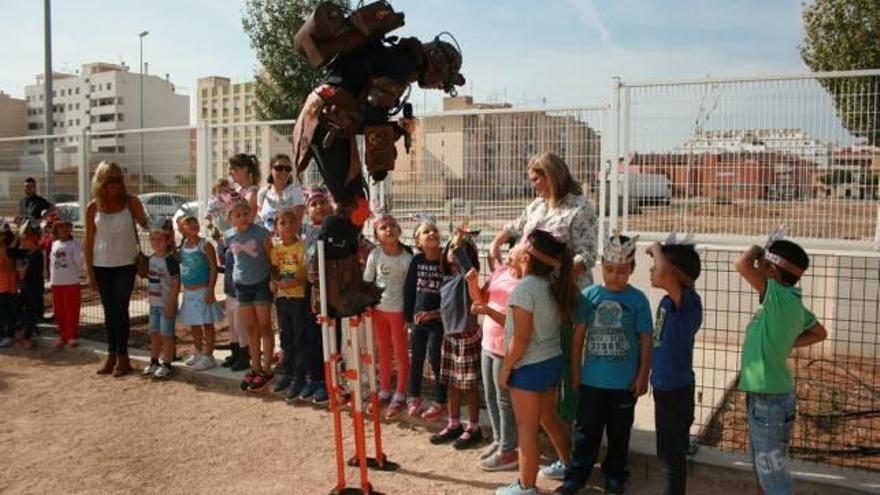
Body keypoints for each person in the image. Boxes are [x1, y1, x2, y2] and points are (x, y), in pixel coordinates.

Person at [488, 152, 599, 456]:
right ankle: (557, 444)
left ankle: (572, 443)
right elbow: (516, 226)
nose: (534, 185)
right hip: (537, 297)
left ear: (554, 175)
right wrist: (498, 242)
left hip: (564, 300)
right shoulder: (537, 205)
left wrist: (553, 275)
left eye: (538, 179)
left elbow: (586, 256)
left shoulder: (579, 208)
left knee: (562, 368)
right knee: (541, 360)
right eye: (532, 180)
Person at [554, 234, 653, 495]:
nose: (614, 276)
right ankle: (576, 477)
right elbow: (578, 337)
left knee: (619, 436)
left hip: (624, 386)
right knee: (586, 433)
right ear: (601, 266)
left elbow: (646, 339)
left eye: (621, 271)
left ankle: (615, 476)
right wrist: (576, 371)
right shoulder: (590, 295)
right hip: (591, 383)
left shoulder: (638, 300)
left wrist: (643, 376)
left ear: (631, 270)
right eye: (609, 270)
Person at [734, 232, 827, 495]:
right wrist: (784, 343)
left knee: (773, 477)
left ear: (772, 270)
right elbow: (820, 332)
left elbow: (741, 263)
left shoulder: (776, 296)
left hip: (769, 401)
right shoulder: (792, 302)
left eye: (764, 264)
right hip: (767, 397)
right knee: (765, 470)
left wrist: (757, 250)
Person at [495, 230, 576, 495]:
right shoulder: (550, 285)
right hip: (550, 363)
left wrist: (507, 367)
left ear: (527, 257)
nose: (513, 250)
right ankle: (570, 466)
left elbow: (521, 336)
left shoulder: (524, 290)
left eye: (517, 246)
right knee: (548, 418)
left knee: (526, 430)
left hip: (528, 369)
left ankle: (526, 487)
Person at [647, 236, 703, 495]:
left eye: (657, 265)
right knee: (670, 454)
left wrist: (658, 248)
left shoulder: (686, 303)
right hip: (667, 388)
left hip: (674, 392)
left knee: (671, 458)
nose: (652, 270)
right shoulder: (669, 303)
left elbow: (665, 273)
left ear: (675, 274)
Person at [85, 161, 149, 377]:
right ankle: (111, 354)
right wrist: (90, 273)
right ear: (100, 183)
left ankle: (123, 357)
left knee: (120, 310)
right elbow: (88, 242)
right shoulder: (93, 207)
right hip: (101, 265)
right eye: (110, 181)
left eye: (118, 180)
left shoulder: (132, 203)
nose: (115, 185)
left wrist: (161, 227)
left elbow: (147, 224)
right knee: (108, 312)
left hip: (125, 264)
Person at [466, 243, 522, 472]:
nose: (508, 258)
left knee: (504, 400)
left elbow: (516, 326)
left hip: (504, 348)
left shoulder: (525, 286)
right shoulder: (500, 273)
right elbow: (482, 298)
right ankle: (499, 441)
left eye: (514, 255)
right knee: (490, 395)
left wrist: (488, 312)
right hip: (488, 343)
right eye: (509, 253)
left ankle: (509, 450)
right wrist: (471, 283)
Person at [429, 232, 483, 450]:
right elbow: (447, 310)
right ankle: (453, 424)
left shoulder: (467, 277)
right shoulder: (447, 280)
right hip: (450, 339)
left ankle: (474, 427)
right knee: (452, 384)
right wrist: (431, 314)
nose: (452, 251)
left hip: (466, 338)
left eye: (458, 248)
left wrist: (460, 247)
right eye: (450, 247)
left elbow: (469, 269)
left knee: (469, 386)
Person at [363, 213, 413, 418]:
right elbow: (367, 281)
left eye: (393, 225)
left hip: (399, 312)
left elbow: (411, 289)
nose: (389, 229)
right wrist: (367, 305)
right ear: (377, 235)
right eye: (383, 227)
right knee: (383, 351)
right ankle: (384, 391)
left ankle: (400, 394)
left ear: (400, 230)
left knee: (401, 353)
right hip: (379, 312)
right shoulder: (375, 255)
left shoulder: (407, 259)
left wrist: (409, 316)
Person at [225, 197, 274, 392]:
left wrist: (273, 277)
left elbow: (271, 256)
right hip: (242, 286)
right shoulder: (229, 236)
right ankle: (255, 366)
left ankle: (267, 368)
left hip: (261, 283)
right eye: (238, 215)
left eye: (246, 213)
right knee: (251, 328)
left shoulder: (261, 232)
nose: (243, 217)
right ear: (230, 218)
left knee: (265, 326)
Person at [403, 217, 447, 420]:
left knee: (436, 358)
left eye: (434, 230)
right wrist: (408, 318)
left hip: (439, 321)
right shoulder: (416, 261)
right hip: (418, 319)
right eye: (426, 231)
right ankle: (414, 396)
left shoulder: (445, 260)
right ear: (418, 241)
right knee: (416, 358)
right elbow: (409, 290)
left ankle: (440, 400)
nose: (432, 233)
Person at [269, 207, 312, 401]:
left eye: (291, 222)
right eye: (282, 223)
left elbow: (304, 272)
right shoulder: (275, 250)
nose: (287, 226)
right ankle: (288, 374)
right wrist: (274, 282)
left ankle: (300, 377)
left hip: (298, 299)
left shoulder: (302, 247)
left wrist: (296, 280)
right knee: (285, 338)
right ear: (276, 227)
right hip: (282, 300)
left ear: (297, 224)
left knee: (299, 338)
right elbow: (275, 271)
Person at [177, 216, 223, 370]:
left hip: (203, 291)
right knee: (194, 324)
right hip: (189, 293)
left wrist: (210, 290)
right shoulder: (182, 247)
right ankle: (198, 352)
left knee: (207, 324)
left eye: (195, 222)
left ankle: (208, 356)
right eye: (188, 223)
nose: (193, 225)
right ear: (181, 228)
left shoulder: (205, 245)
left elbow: (213, 268)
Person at [303, 187, 333, 404]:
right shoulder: (307, 232)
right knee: (312, 337)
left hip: (332, 292)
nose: (319, 207)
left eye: (322, 202)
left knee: (332, 339)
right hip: (312, 292)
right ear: (307, 211)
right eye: (314, 204)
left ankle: (330, 380)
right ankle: (314, 377)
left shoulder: (336, 228)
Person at [143, 225, 180, 380]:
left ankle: (167, 363)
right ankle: (154, 361)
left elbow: (176, 283)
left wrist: (171, 304)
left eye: (160, 239)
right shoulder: (151, 259)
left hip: (166, 304)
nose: (156, 242)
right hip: (154, 303)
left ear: (167, 241)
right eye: (153, 239)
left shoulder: (170, 260)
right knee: (155, 333)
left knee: (167, 334)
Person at [49, 219, 83, 348]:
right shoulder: (54, 243)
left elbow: (79, 261)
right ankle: (62, 336)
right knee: (59, 311)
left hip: (71, 281)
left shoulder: (75, 243)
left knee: (71, 310)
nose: (64, 230)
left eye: (67, 227)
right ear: (56, 230)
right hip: (56, 282)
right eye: (61, 227)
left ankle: (71, 336)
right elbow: (50, 261)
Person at [11, 221, 44, 350]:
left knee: (30, 312)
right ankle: (22, 334)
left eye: (26, 239)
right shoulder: (27, 252)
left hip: (34, 287)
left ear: (34, 239)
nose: (23, 242)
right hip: (26, 286)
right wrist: (17, 236)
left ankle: (26, 338)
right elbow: (11, 252)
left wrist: (21, 269)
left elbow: (25, 273)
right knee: (17, 307)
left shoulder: (37, 254)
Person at [257, 154, 305, 231]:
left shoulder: (296, 192)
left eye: (288, 169)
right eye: (279, 168)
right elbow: (260, 221)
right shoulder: (262, 193)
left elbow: (297, 223)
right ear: (270, 169)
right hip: (266, 240)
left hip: (287, 241)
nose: (284, 172)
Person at [228, 154, 261, 220]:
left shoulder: (252, 194)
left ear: (245, 169)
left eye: (233, 169)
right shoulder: (238, 191)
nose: (230, 173)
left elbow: (248, 221)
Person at [0, 229, 17, 348]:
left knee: (7, 313)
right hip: (2, 285)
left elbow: (10, 268)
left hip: (7, 285)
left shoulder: (7, 251)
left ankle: (9, 336)